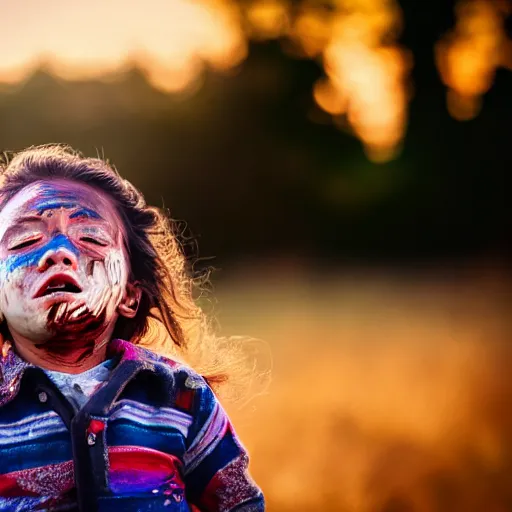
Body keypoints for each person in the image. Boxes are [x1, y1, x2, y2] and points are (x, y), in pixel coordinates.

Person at [0, 145, 265, 512]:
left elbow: (240, 503)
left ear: (129, 295)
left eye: (91, 238)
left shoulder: (180, 396)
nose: (58, 252)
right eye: (25, 241)